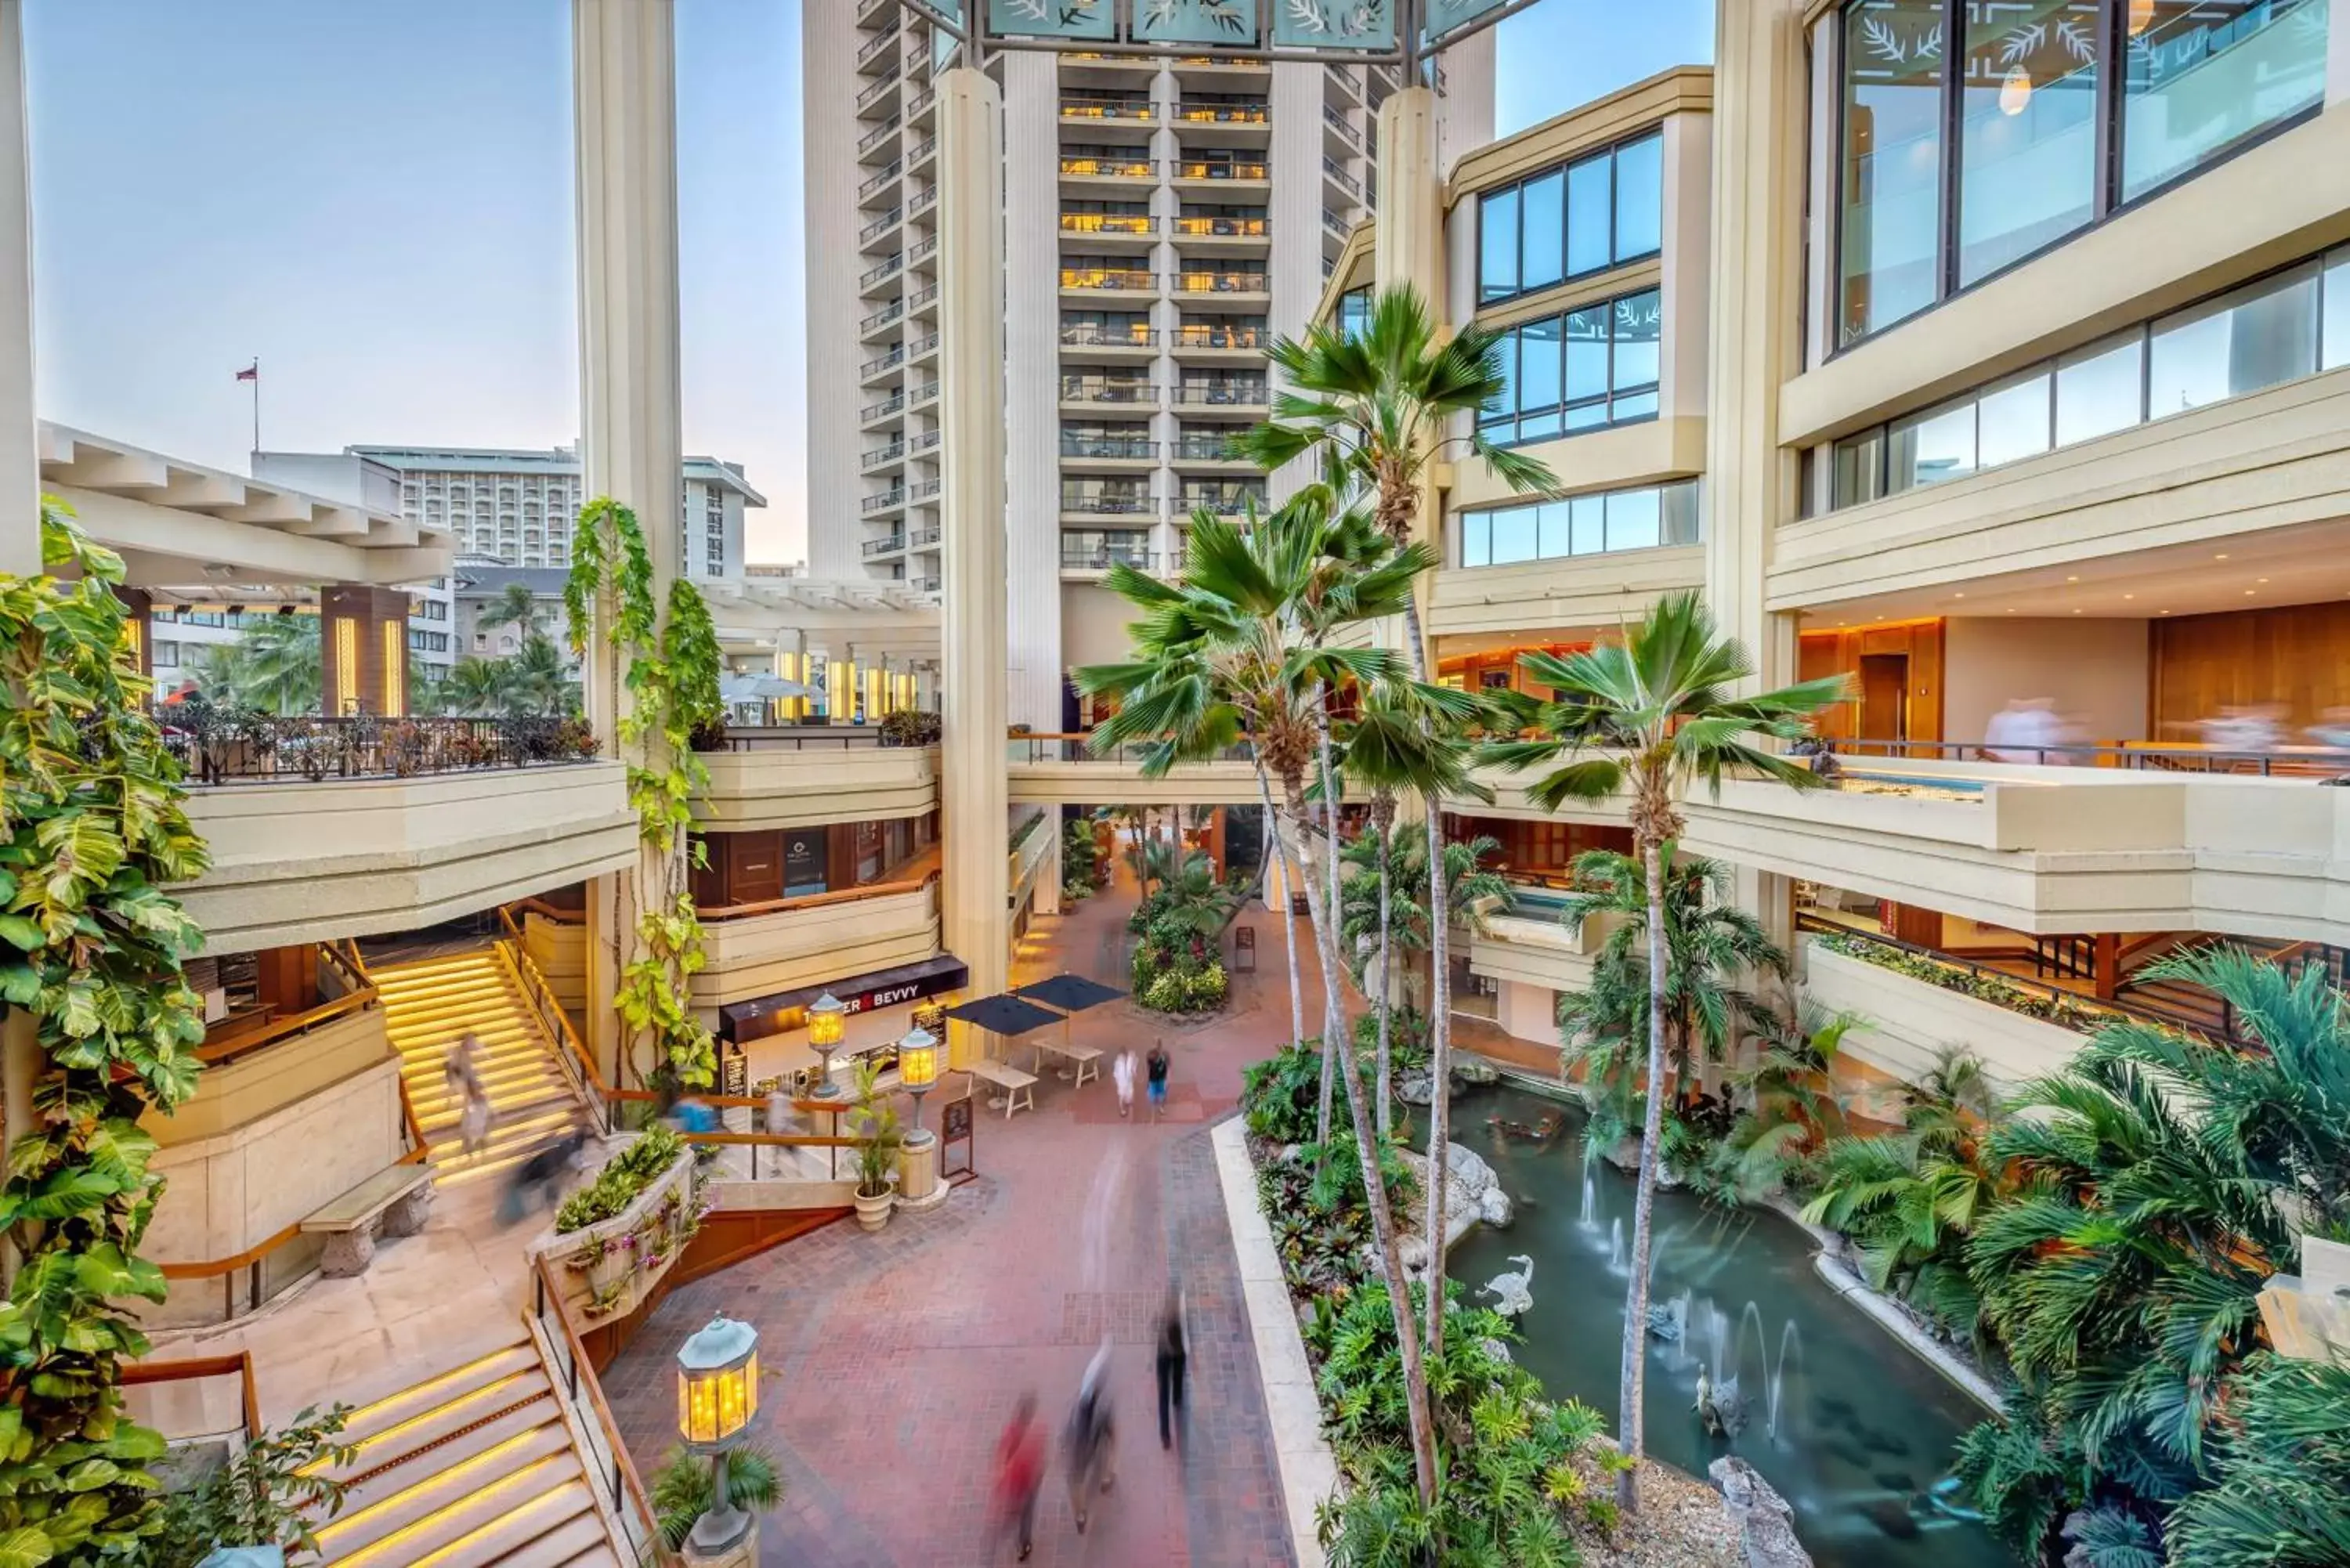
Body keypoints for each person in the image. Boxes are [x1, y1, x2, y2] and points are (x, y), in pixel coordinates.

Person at [1065, 1338, 1116, 1533]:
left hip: (1079, 1448)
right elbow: (1113, 1436)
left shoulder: (1075, 1411)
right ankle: (1107, 1476)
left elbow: (1067, 1434)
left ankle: (1080, 1515)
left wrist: (1064, 1448)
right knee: (1108, 1446)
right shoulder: (1103, 1408)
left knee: (1075, 1481)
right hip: (1095, 1441)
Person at [991, 1393, 1047, 1562]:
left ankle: (1008, 1534)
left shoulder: (1013, 1429)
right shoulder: (1035, 1432)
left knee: (1016, 1512)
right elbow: (1038, 1458)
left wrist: (1000, 1476)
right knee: (1025, 1514)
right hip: (1026, 1482)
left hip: (1016, 1482)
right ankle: (1023, 1545)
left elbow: (1002, 1453)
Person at [498, 1128, 587, 1226]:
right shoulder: (572, 1149)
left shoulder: (569, 1145)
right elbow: (574, 1164)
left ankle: (509, 1215)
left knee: (528, 1183)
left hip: (543, 1167)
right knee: (532, 1184)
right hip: (543, 1168)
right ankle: (509, 1215)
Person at [1155, 1290, 1188, 1451]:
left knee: (1163, 1395)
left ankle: (1165, 1435)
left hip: (1164, 1355)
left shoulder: (1164, 1317)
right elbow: (1187, 1338)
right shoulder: (1180, 1315)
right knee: (1178, 1377)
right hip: (1177, 1353)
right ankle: (1177, 1398)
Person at [1145, 1041, 1170, 1122]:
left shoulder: (1164, 1056)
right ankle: (1153, 1118)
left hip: (1161, 1079)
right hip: (1153, 1080)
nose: (1156, 1048)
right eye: (1155, 1046)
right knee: (1153, 1100)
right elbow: (1148, 1069)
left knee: (1163, 1096)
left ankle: (1161, 1107)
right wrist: (1148, 1081)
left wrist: (1168, 1078)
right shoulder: (1150, 1056)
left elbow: (1168, 1066)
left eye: (1158, 1046)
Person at [1112, 1047, 1137, 1119]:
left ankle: (1131, 1113)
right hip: (1121, 1082)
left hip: (1129, 1082)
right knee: (1121, 1096)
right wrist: (1116, 1080)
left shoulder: (1130, 1060)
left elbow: (1134, 1066)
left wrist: (1134, 1074)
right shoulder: (1118, 1062)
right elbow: (1116, 1072)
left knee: (1131, 1095)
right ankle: (1122, 1110)